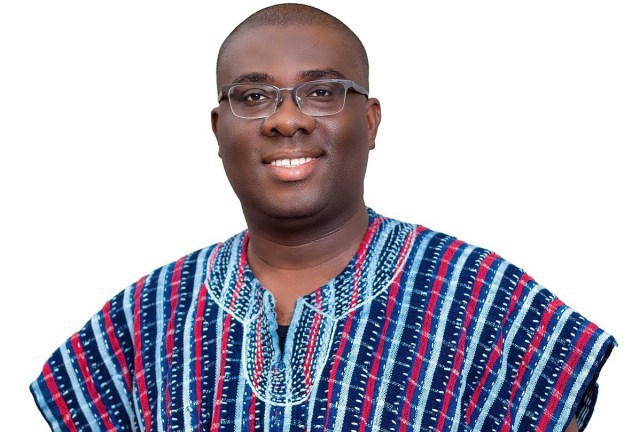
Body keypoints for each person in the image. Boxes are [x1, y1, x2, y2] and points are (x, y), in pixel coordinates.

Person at [30, 4, 615, 431]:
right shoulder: (146, 316)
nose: (286, 120)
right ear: (217, 129)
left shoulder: (485, 299)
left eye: (322, 92)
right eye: (252, 97)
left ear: (370, 122)